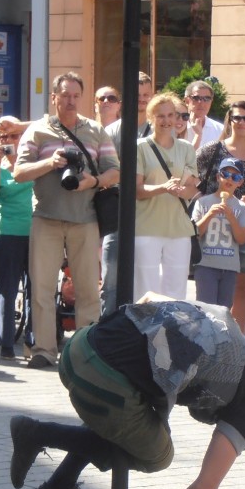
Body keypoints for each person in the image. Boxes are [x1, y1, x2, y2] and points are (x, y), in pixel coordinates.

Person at [8, 294, 245, 489]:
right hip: (102, 381)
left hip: (77, 349)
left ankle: (61, 483)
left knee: (133, 420)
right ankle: (36, 433)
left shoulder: (222, 322)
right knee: (158, 453)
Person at [13, 72, 120, 369]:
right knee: (42, 289)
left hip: (85, 219)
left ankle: (85, 351)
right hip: (45, 218)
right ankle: (44, 350)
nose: (71, 101)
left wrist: (93, 181)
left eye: (76, 95)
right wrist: (50, 163)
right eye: (65, 95)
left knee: (87, 289)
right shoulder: (37, 131)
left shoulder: (96, 130)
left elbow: (115, 171)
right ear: (54, 97)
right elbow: (19, 172)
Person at [196, 101, 245, 333]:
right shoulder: (212, 150)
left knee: (242, 285)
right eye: (237, 118)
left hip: (244, 225)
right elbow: (195, 182)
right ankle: (209, 335)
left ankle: (238, 338)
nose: (242, 122)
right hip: (213, 227)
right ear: (230, 121)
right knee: (209, 287)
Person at [134, 92, 199, 302]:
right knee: (145, 291)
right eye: (161, 116)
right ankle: (142, 334)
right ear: (151, 117)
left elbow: (192, 189)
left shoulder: (186, 148)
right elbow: (137, 190)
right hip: (147, 227)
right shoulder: (140, 147)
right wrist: (163, 187)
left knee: (176, 293)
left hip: (179, 228)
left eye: (171, 115)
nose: (167, 120)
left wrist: (182, 191)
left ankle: (169, 334)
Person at [103, 72, 154, 315]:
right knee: (111, 277)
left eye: (146, 95)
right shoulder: (113, 131)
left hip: (150, 212)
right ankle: (106, 328)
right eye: (137, 95)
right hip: (119, 212)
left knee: (146, 277)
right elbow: (108, 169)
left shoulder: (160, 129)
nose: (142, 100)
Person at [0, 117, 34, 359]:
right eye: (3, 138)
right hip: (8, 233)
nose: (9, 142)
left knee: (36, 290)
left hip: (36, 232)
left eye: (14, 136)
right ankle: (5, 343)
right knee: (8, 289)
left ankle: (33, 342)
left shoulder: (33, 162)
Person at [192, 158, 245, 307]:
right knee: (206, 309)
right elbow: (195, 233)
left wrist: (232, 218)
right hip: (206, 265)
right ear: (218, 177)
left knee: (224, 311)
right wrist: (209, 215)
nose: (229, 179)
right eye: (225, 174)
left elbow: (242, 238)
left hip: (229, 266)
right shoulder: (203, 203)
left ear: (240, 182)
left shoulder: (241, 207)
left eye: (235, 177)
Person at [184, 80, 224, 150]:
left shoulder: (220, 130)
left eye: (207, 99)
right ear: (187, 101)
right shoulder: (177, 128)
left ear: (211, 102)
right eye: (196, 98)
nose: (201, 103)